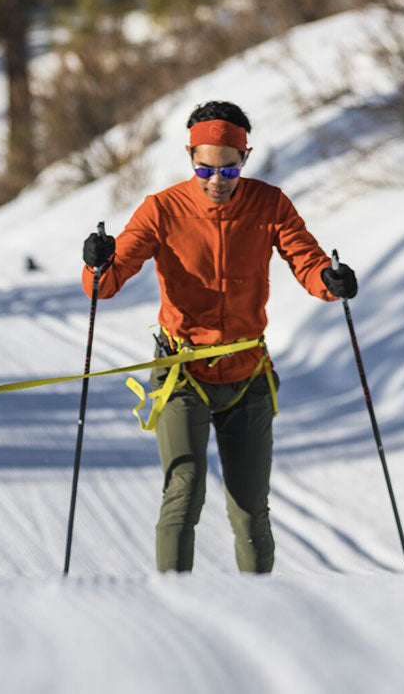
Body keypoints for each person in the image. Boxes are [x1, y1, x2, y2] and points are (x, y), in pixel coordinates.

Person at [80, 100, 358, 574]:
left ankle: (258, 608)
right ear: (190, 156)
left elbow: (307, 262)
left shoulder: (269, 204)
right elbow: (104, 285)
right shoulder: (161, 209)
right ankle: (175, 605)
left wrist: (331, 282)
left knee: (250, 509)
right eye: (204, 168)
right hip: (182, 371)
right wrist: (97, 261)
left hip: (248, 372)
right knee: (184, 490)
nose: (216, 181)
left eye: (229, 171)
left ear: (244, 158)